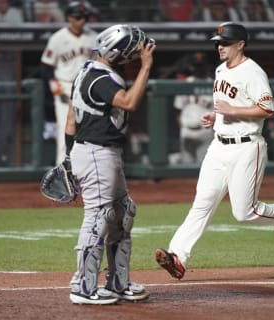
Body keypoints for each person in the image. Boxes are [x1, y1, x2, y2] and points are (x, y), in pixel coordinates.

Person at [154, 22, 274, 280]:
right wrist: (216, 117)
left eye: (225, 42)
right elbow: (228, 105)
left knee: (244, 213)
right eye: (218, 42)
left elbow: (268, 109)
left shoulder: (253, 72)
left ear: (241, 44)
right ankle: (178, 257)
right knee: (202, 204)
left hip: (247, 147)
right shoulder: (220, 69)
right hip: (218, 146)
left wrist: (232, 112)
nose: (220, 47)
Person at [65, 24, 155, 304]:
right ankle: (82, 285)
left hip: (98, 152)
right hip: (96, 152)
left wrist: (69, 159)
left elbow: (70, 119)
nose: (135, 56)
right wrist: (146, 65)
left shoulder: (89, 71)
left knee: (123, 211)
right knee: (99, 217)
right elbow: (128, 102)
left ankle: (118, 280)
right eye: (132, 52)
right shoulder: (101, 79)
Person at [40, 1, 97, 165]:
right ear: (69, 18)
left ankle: (86, 171)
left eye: (85, 17)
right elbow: (46, 66)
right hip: (65, 89)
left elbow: (100, 63)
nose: (82, 21)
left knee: (89, 132)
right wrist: (52, 83)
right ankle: (63, 170)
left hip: (87, 90)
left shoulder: (93, 38)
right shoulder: (57, 38)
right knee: (66, 131)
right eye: (78, 17)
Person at [173, 52, 214, 163]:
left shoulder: (214, 84)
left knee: (204, 169)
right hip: (187, 131)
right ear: (191, 67)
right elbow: (177, 110)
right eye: (197, 66)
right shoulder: (184, 84)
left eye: (201, 65)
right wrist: (183, 127)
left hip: (205, 132)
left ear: (207, 66)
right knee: (186, 169)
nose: (199, 69)